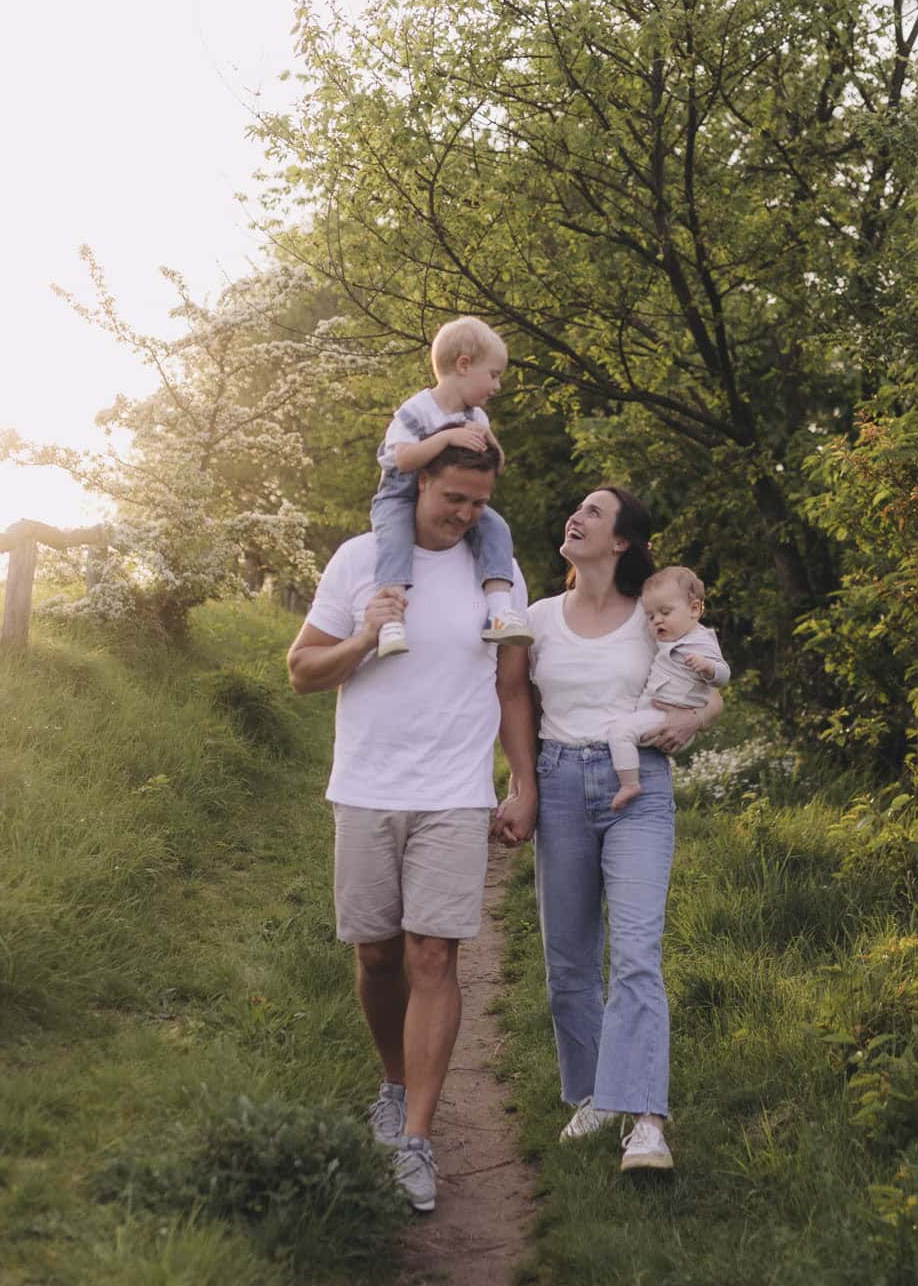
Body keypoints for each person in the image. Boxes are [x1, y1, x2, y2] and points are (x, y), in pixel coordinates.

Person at [286, 444, 535, 1214]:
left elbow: (511, 684)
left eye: (478, 502)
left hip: (455, 791)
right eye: (453, 497)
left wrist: (522, 783)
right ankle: (391, 1084)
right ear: (419, 481)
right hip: (365, 784)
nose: (465, 513)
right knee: (378, 952)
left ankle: (417, 1139)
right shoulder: (362, 558)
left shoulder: (498, 573)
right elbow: (301, 669)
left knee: (434, 952)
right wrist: (364, 636)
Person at [518, 487, 720, 1174]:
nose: (575, 515)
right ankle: (596, 1094)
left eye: (594, 513)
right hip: (561, 785)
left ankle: (647, 1121)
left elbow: (710, 683)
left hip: (640, 786)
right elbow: (510, 697)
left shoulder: (652, 616)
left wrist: (693, 720)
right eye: (575, 507)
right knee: (569, 963)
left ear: (623, 541)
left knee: (636, 954)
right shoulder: (539, 617)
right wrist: (521, 784)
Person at [368, 316, 534, 659]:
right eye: (493, 375)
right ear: (463, 365)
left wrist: (491, 445)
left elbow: (495, 465)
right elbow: (404, 460)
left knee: (495, 526)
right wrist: (446, 438)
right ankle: (391, 620)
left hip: (447, 499)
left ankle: (500, 610)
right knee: (396, 540)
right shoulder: (416, 411)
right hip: (400, 496)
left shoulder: (476, 417)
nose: (497, 386)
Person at [604, 565, 728, 812]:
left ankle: (629, 784)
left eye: (665, 612)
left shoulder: (700, 642)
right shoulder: (671, 639)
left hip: (668, 720)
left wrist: (707, 667)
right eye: (650, 616)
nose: (657, 620)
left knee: (619, 732)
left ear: (694, 609)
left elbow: (723, 676)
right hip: (658, 715)